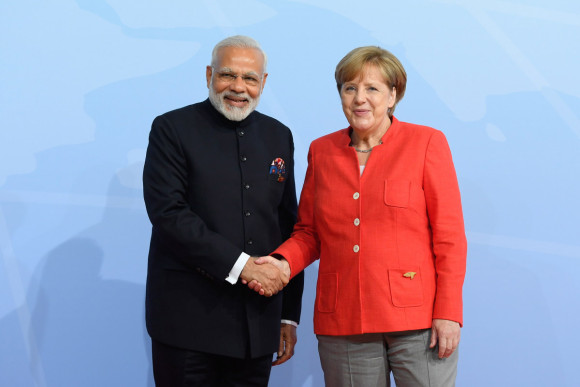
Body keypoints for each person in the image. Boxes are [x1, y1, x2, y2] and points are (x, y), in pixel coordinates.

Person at [250, 46, 467, 386]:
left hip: (419, 322)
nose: (359, 99)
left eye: (372, 89)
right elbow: (309, 232)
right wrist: (281, 264)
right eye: (350, 88)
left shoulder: (426, 143)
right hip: (344, 322)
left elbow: (450, 238)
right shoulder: (321, 151)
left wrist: (448, 313)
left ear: (393, 95)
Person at [143, 35, 304, 386]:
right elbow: (169, 214)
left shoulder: (279, 136)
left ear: (263, 83)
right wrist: (243, 266)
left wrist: (288, 316)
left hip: (258, 326)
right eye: (227, 75)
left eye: (249, 78)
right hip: (187, 324)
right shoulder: (171, 129)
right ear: (208, 75)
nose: (238, 87)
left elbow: (289, 225)